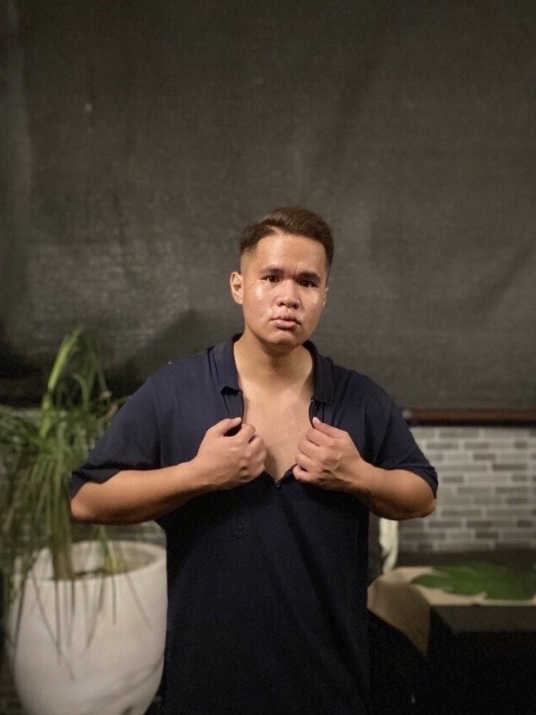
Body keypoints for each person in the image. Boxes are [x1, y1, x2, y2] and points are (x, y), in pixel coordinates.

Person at [71, 206, 437, 715]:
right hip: (207, 688)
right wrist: (197, 475)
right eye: (271, 277)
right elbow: (87, 500)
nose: (289, 296)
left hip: (332, 688)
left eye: (308, 282)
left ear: (324, 296)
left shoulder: (359, 399)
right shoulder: (175, 391)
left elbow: (422, 495)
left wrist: (358, 475)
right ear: (239, 286)